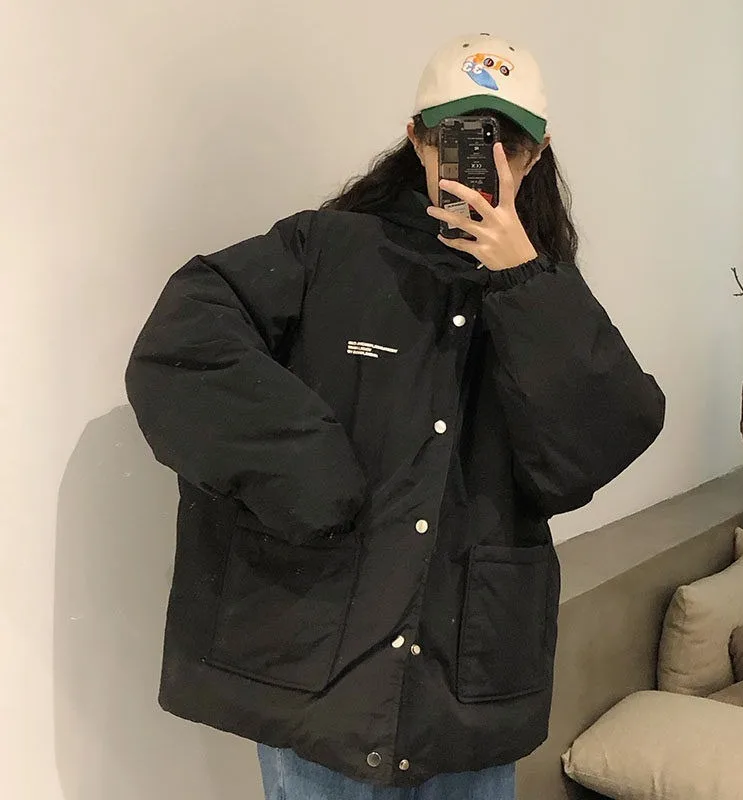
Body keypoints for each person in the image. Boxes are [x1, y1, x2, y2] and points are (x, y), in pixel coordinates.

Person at [125, 32, 665, 800]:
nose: (484, 161)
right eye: (460, 136)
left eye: (508, 142)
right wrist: (307, 472)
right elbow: (183, 346)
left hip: (469, 683)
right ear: (417, 139)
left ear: (535, 156)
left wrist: (522, 279)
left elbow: (597, 444)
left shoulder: (545, 293)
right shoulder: (327, 250)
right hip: (324, 677)